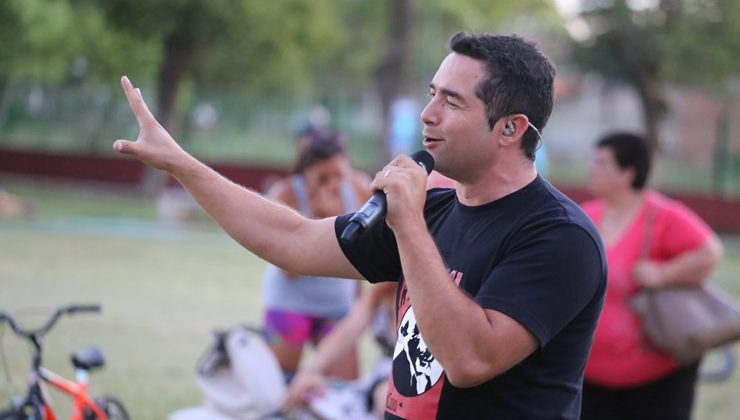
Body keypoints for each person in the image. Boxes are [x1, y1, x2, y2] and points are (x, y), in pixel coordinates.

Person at [113, 31, 606, 419]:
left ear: (510, 128)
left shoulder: (559, 237)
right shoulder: (433, 211)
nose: (427, 114)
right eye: (432, 93)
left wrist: (409, 223)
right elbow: (292, 240)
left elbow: (470, 361)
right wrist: (180, 163)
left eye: (452, 103)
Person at [580, 132, 724, 420]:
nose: (590, 169)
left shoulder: (663, 215)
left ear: (628, 172)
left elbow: (710, 253)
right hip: (590, 375)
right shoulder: (585, 216)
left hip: (658, 375)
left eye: (601, 163)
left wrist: (663, 274)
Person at [261, 129, 371, 381]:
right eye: (322, 178)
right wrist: (321, 220)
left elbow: (368, 255)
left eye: (339, 176)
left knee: (343, 392)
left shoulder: (359, 188)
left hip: (338, 309)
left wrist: (359, 302)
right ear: (305, 173)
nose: (333, 184)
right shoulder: (285, 193)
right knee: (278, 386)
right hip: (289, 306)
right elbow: (288, 270)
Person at [282, 282, 397, 419]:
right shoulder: (383, 288)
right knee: (305, 395)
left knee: (388, 399)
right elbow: (348, 331)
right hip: (380, 378)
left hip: (412, 380)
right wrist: (311, 370)